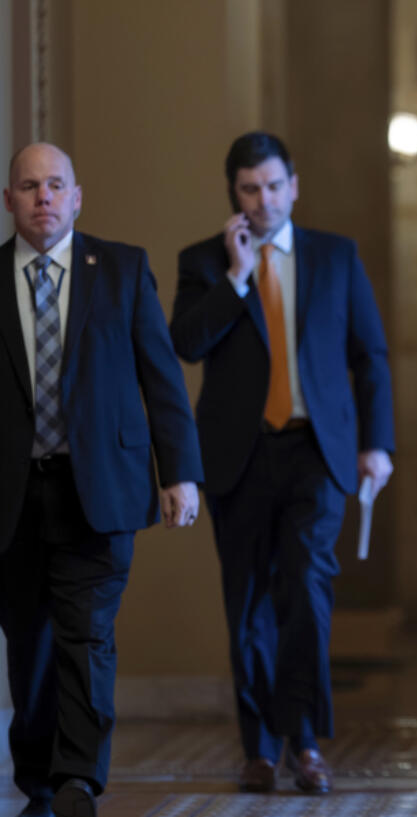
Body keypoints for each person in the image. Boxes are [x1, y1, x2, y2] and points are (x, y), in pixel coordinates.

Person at [170, 132, 394, 795]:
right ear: (233, 193)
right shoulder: (204, 261)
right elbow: (185, 342)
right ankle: (259, 747)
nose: (263, 200)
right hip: (236, 456)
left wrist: (376, 443)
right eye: (249, 188)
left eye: (273, 186)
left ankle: (303, 738)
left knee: (307, 592)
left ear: (293, 185)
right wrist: (236, 276)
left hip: (316, 453)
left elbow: (371, 355)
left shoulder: (335, 255)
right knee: (247, 606)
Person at [0, 143, 203, 817]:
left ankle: (77, 780)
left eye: (55, 184)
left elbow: (161, 379)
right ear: (10, 201)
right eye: (29, 186)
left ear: (77, 197)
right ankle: (36, 779)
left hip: (101, 488)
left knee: (87, 637)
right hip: (13, 497)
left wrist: (181, 474)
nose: (43, 197)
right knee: (29, 644)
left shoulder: (119, 268)